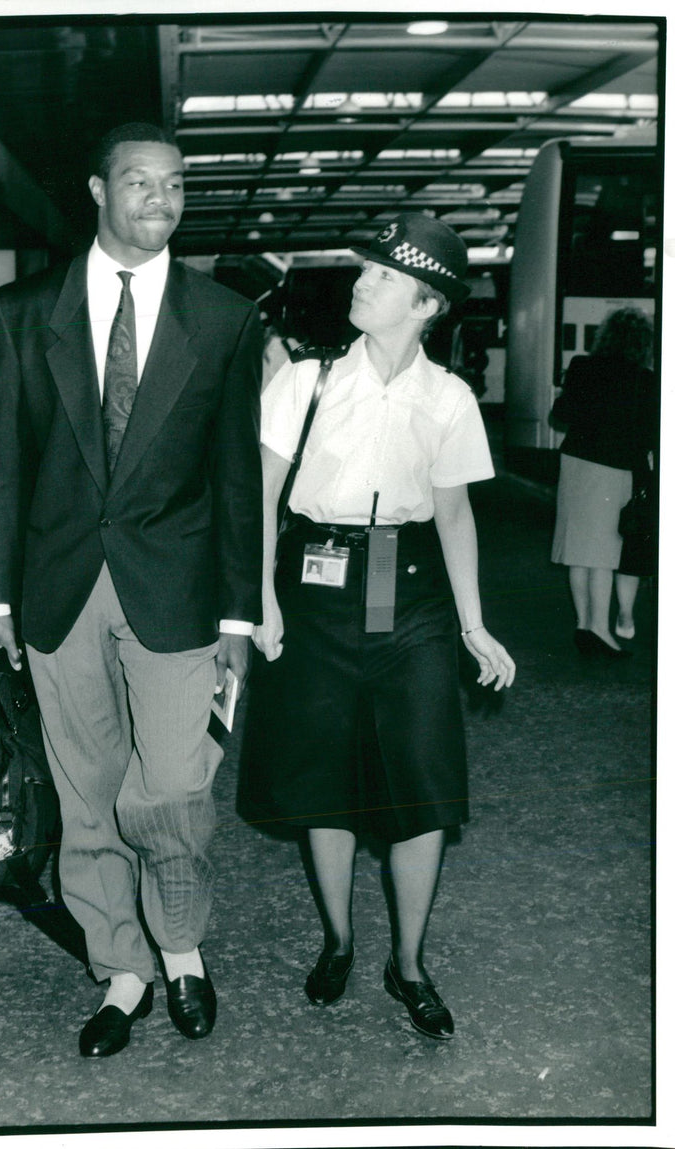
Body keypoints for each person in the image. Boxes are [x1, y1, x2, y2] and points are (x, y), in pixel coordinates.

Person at [0, 122, 264, 1056]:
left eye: (174, 185)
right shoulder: (26, 311)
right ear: (98, 191)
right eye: (140, 182)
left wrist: (238, 614)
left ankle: (182, 947)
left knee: (173, 785)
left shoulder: (222, 318)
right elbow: (3, 465)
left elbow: (235, 483)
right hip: (57, 586)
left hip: (176, 590)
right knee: (85, 792)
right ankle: (122, 966)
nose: (161, 199)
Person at [238, 213, 515, 1040]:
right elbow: (258, 495)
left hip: (416, 593)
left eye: (385, 277)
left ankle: (410, 962)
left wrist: (473, 624)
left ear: (426, 304)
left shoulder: (449, 398)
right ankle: (339, 939)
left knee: (423, 787)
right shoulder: (306, 382)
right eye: (366, 270)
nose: (363, 282)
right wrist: (263, 598)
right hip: (315, 589)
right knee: (324, 778)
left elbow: (458, 514)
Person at [550, 306, 656, 656]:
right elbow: (649, 434)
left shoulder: (582, 366)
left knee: (578, 551)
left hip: (575, 463)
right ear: (643, 342)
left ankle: (583, 625)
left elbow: (560, 416)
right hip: (614, 469)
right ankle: (600, 630)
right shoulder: (645, 378)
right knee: (604, 554)